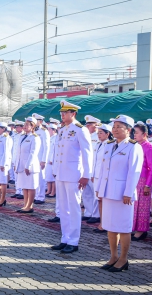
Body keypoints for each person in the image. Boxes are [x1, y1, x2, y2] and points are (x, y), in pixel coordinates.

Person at [96, 115, 143, 272]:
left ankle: (123, 259)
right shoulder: (109, 145)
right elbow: (103, 169)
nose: (115, 129)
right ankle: (113, 256)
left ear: (128, 130)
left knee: (123, 227)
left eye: (119, 126)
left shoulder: (133, 147)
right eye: (114, 126)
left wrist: (129, 192)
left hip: (123, 194)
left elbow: (134, 171)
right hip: (108, 191)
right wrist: (99, 188)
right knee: (110, 226)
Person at [51, 100, 92, 254]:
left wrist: (86, 175)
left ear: (73, 114)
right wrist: (55, 170)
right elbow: (58, 152)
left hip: (74, 175)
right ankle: (65, 238)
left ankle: (74, 241)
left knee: (74, 208)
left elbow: (88, 154)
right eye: (61, 113)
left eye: (65, 112)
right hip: (61, 174)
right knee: (63, 207)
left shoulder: (81, 130)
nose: (62, 115)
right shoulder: (62, 130)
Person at [131, 123, 152, 240]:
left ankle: (142, 230)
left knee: (142, 207)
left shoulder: (150, 147)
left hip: (144, 180)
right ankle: (135, 227)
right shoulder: (135, 145)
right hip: (135, 179)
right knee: (134, 206)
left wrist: (148, 185)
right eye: (134, 132)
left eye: (136, 132)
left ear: (145, 134)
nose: (134, 135)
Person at [14, 117, 41, 213]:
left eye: (27, 125)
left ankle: (30, 206)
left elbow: (33, 153)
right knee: (24, 186)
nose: (24, 126)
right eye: (24, 125)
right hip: (21, 165)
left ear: (32, 126)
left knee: (31, 186)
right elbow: (18, 153)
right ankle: (25, 205)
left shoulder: (35, 138)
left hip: (30, 166)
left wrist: (28, 166)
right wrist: (16, 164)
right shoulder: (22, 137)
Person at [91, 124, 113, 233]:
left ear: (107, 134)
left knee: (103, 200)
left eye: (101, 133)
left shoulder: (110, 145)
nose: (98, 135)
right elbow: (95, 161)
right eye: (98, 133)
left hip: (103, 177)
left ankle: (105, 224)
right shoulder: (98, 144)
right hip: (96, 176)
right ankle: (102, 222)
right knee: (99, 200)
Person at [82, 115, 101, 224]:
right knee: (86, 193)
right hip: (86, 169)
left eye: (90, 125)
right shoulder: (86, 136)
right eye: (87, 125)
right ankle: (88, 213)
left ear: (96, 126)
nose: (88, 126)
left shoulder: (97, 137)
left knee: (95, 194)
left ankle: (95, 214)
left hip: (94, 170)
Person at [32, 113, 50, 205]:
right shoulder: (33, 131)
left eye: (36, 121)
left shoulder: (44, 131)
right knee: (35, 178)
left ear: (41, 121)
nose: (35, 123)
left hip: (41, 158)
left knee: (41, 178)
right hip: (34, 158)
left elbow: (46, 147)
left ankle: (41, 197)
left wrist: (44, 160)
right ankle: (36, 196)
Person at [10, 120, 25, 199]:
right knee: (16, 177)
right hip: (14, 158)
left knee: (21, 176)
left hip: (21, 159)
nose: (16, 128)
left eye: (18, 127)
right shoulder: (14, 135)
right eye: (16, 127)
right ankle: (17, 191)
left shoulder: (24, 135)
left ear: (22, 127)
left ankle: (22, 192)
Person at [45, 123, 57, 197]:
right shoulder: (49, 138)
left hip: (52, 160)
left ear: (54, 130)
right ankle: (49, 190)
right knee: (48, 176)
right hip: (47, 159)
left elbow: (54, 150)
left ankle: (53, 191)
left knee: (53, 178)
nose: (48, 131)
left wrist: (52, 158)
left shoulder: (56, 138)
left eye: (49, 129)